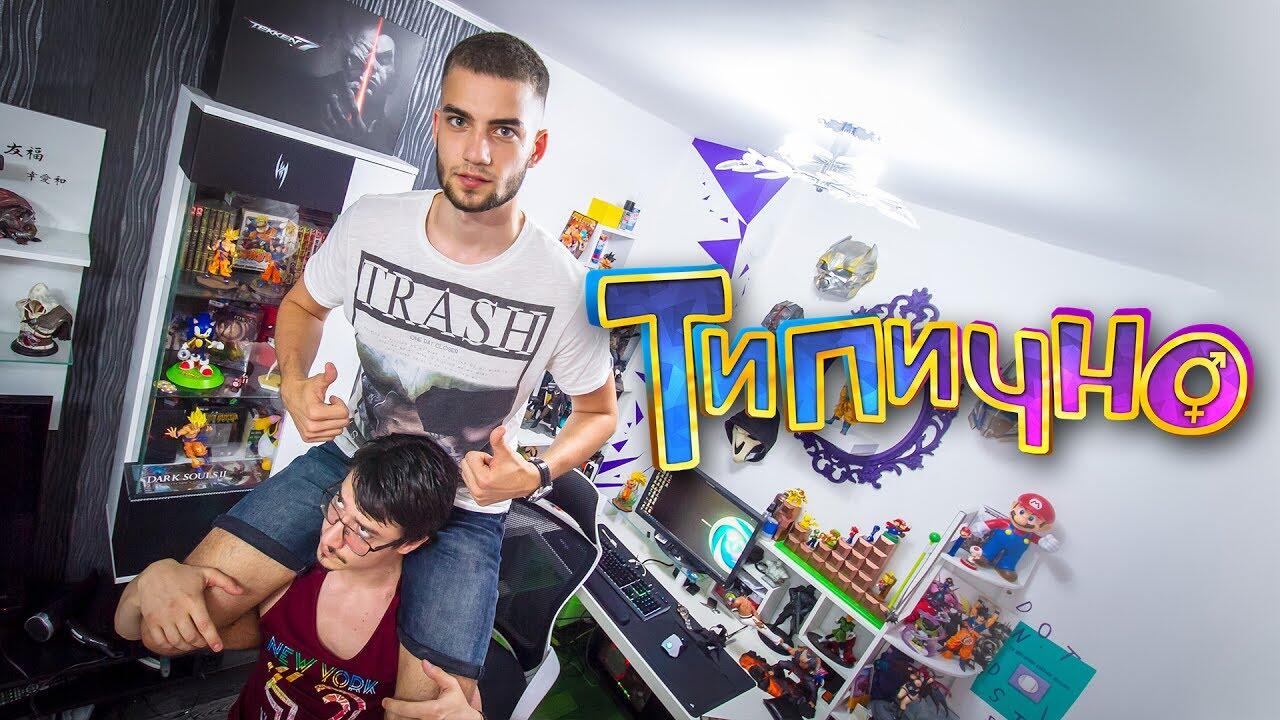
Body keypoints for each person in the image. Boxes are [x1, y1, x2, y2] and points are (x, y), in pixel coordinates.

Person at [128, 31, 618, 712]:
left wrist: (535, 473)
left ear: (535, 146)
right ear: (437, 123)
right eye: (460, 121)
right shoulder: (373, 225)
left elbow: (598, 413)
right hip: (349, 469)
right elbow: (302, 305)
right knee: (167, 614)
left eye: (504, 130)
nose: (477, 152)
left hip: (464, 510)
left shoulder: (565, 287)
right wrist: (292, 381)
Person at [115, 435, 481, 720]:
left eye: (363, 532)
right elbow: (134, 631)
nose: (330, 537)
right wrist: (149, 581)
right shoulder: (287, 584)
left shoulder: (420, 633)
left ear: (410, 543)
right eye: (338, 504)